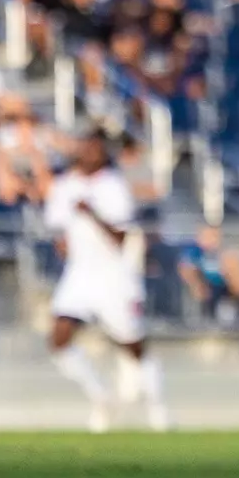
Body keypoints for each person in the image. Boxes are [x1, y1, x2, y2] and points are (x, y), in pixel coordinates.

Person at [44, 130, 169, 432]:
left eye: (97, 150)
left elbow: (120, 238)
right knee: (60, 337)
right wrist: (63, 243)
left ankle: (157, 404)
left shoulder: (113, 187)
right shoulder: (64, 187)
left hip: (114, 274)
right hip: (80, 273)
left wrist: (92, 214)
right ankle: (101, 396)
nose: (92, 154)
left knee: (132, 345)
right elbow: (57, 230)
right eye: (88, 147)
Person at [178, 224, 239, 327]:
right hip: (206, 285)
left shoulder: (225, 253)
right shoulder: (194, 253)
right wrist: (196, 284)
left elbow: (235, 272)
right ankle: (207, 320)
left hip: (224, 284)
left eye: (213, 236)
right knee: (206, 293)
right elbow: (186, 270)